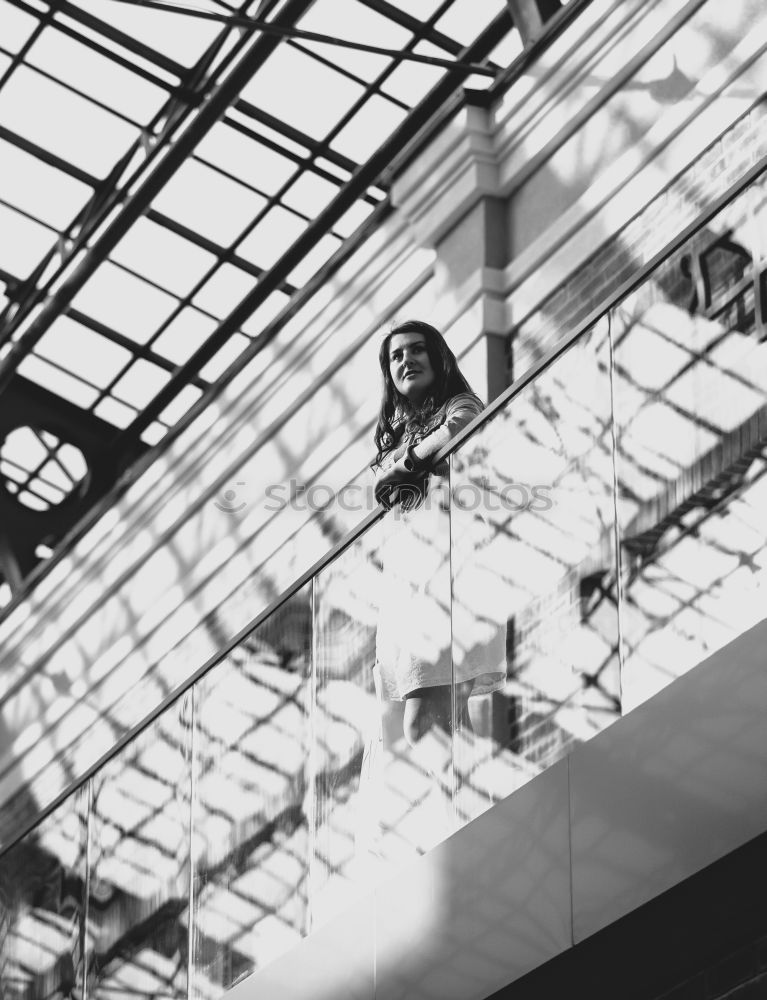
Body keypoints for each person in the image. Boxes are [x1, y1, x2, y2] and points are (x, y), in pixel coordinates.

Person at [370, 320, 505, 759]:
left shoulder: (458, 404)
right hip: (416, 590)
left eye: (416, 350)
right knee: (435, 718)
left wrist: (407, 463)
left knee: (424, 722)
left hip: (454, 582)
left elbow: (463, 426)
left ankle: (464, 804)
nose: (406, 360)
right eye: (396, 355)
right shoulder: (398, 439)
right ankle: (466, 804)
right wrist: (401, 465)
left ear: (437, 357)